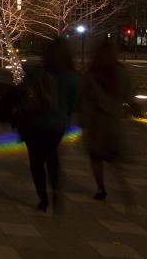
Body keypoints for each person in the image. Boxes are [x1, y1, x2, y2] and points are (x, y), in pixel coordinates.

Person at [17, 38, 80, 213]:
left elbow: (22, 93)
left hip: (33, 122)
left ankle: (43, 197)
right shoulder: (72, 76)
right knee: (52, 156)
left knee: (36, 161)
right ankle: (56, 190)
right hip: (56, 125)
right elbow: (73, 102)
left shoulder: (36, 72)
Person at [79, 41, 134, 203]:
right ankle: (123, 187)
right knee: (113, 159)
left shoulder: (92, 73)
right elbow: (127, 94)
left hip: (97, 123)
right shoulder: (120, 72)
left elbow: (85, 99)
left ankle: (101, 188)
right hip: (112, 122)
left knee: (96, 157)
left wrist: (84, 122)